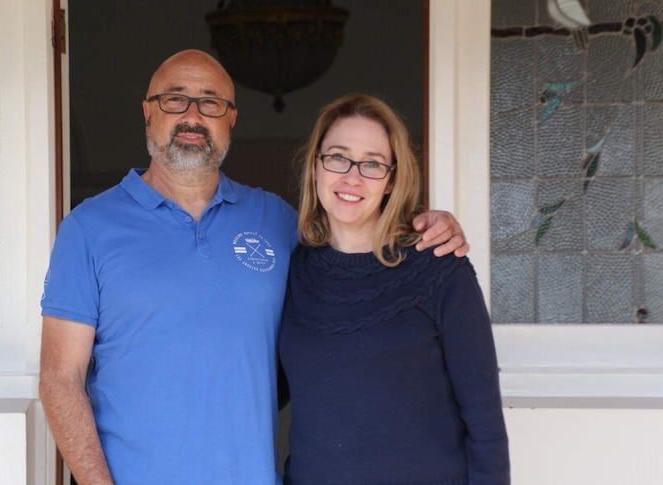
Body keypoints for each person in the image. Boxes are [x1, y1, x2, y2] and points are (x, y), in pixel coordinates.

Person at [39, 50, 469, 485]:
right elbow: (60, 379)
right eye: (175, 99)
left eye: (211, 102)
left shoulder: (278, 221)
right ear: (149, 113)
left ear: (231, 120)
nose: (192, 115)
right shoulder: (88, 228)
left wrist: (421, 226)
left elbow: (359, 245)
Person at [279, 94, 509, 484]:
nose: (352, 177)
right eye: (337, 156)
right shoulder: (291, 271)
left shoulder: (438, 265)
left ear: (391, 179)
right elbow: (261, 389)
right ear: (316, 167)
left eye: (371, 163)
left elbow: (484, 422)